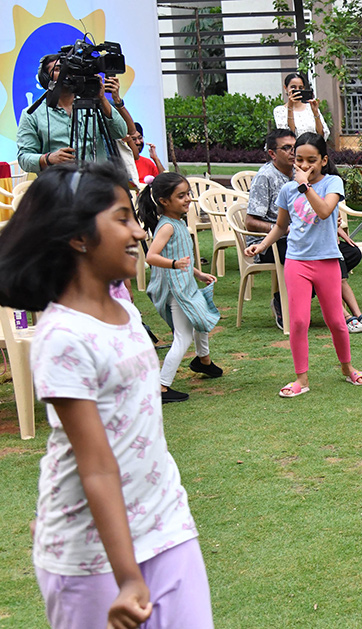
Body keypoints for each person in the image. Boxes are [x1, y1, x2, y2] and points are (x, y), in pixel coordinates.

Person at [0, 161, 214, 629]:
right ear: (78, 236)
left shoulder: (117, 296)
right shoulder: (62, 337)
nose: (139, 232)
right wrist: (128, 578)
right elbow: (95, 466)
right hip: (91, 552)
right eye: (122, 219)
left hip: (166, 521)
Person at [246, 133, 362, 397]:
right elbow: (281, 226)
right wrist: (263, 245)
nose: (303, 165)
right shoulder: (287, 190)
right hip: (297, 262)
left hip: (326, 261)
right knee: (299, 321)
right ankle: (301, 379)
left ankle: (347, 369)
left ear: (324, 161)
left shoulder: (332, 183)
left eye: (311, 160)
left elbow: (325, 211)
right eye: (299, 160)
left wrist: (305, 187)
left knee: (336, 321)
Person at [137, 172, 223, 404]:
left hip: (185, 284)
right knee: (183, 337)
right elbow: (152, 257)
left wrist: (197, 272)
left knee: (201, 317)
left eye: (188, 194)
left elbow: (180, 256)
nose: (187, 199)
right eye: (181, 196)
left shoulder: (178, 222)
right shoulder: (167, 227)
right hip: (177, 291)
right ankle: (161, 386)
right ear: (164, 201)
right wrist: (176, 265)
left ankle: (203, 361)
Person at [16, 54, 129, 173]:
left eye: (70, 69)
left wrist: (102, 98)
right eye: (58, 69)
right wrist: (48, 159)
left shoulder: (95, 106)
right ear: (45, 78)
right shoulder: (32, 114)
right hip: (58, 185)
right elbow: (24, 158)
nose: (66, 73)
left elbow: (120, 132)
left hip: (95, 183)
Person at [246, 129, 296, 330]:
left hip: (297, 238)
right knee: (307, 256)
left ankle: (285, 298)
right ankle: (283, 303)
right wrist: (284, 230)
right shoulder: (265, 177)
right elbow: (250, 222)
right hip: (267, 244)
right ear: (272, 153)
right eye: (286, 148)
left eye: (295, 147)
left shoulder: (300, 173)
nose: (293, 152)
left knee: (349, 253)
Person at [273, 73, 329, 140]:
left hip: (313, 147)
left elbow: (321, 134)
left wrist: (316, 113)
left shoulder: (310, 108)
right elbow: (289, 135)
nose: (297, 90)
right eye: (293, 87)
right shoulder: (280, 110)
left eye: (300, 88)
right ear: (285, 88)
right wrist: (290, 108)